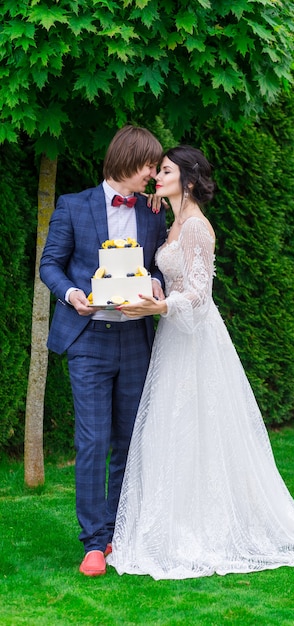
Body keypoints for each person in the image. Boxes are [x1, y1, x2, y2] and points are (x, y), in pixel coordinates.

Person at [107, 145, 294, 580]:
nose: (158, 175)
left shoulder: (196, 227)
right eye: (159, 170)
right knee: (171, 425)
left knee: (198, 424)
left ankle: (204, 528)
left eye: (167, 170)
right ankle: (169, 524)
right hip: (173, 336)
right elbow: (176, 281)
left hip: (195, 337)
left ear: (189, 180)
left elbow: (198, 294)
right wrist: (159, 295)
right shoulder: (173, 223)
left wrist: (161, 308)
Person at [40, 125, 167, 577]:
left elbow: (160, 268)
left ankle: (120, 532)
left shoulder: (154, 213)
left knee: (130, 440)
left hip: (136, 339)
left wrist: (156, 283)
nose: (153, 175)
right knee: (93, 441)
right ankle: (94, 543)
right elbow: (49, 265)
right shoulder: (73, 206)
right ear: (129, 161)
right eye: (150, 166)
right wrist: (73, 295)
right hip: (88, 340)